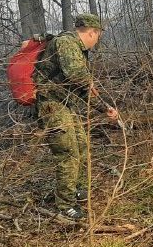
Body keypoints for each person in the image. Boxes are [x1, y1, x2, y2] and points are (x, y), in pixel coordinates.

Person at [33, 13, 118, 220]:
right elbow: (76, 75)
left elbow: (81, 89)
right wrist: (90, 83)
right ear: (92, 32)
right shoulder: (67, 43)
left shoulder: (76, 48)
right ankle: (65, 204)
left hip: (65, 105)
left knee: (81, 145)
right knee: (68, 153)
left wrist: (104, 108)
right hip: (52, 106)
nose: (97, 41)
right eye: (98, 36)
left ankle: (76, 189)